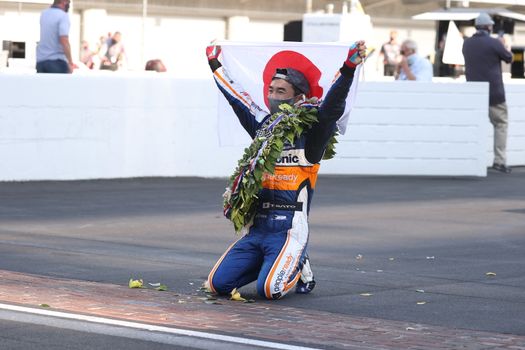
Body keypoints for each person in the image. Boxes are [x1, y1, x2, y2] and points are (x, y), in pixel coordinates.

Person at [205, 41, 367, 299]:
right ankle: (276, 262)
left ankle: (299, 263)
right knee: (217, 285)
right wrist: (215, 64)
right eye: (270, 90)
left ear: (299, 97)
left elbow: (333, 106)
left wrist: (348, 68)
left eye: (281, 91)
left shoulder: (313, 131)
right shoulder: (263, 127)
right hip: (257, 227)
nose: (273, 96)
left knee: (270, 290)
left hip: (289, 228)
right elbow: (237, 99)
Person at [463, 13, 513, 174]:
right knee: (500, 124)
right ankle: (499, 160)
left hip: (474, 92)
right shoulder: (494, 42)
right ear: (489, 27)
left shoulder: (467, 44)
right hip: (494, 92)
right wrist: (505, 45)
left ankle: (471, 159)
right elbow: (509, 58)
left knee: (475, 126)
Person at [36, 0, 76, 74]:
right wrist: (70, 62)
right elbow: (64, 40)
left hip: (41, 61)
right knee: (62, 85)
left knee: (44, 85)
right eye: (68, 2)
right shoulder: (63, 16)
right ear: (64, 2)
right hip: (56, 61)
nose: (68, 5)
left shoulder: (44, 14)